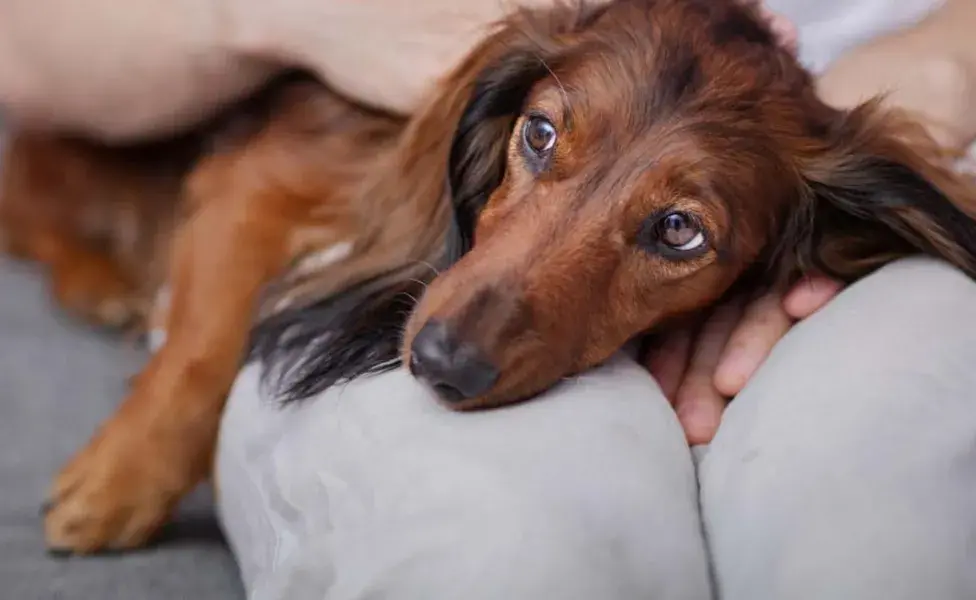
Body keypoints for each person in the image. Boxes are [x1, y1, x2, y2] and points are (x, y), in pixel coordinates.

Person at [4, 0, 976, 598]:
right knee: (506, 548)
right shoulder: (490, 96)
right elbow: (26, 47)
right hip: (404, 218)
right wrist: (298, 10)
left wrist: (948, 54)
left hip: (891, 168)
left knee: (889, 521)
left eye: (671, 231)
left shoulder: (845, 183)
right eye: (544, 143)